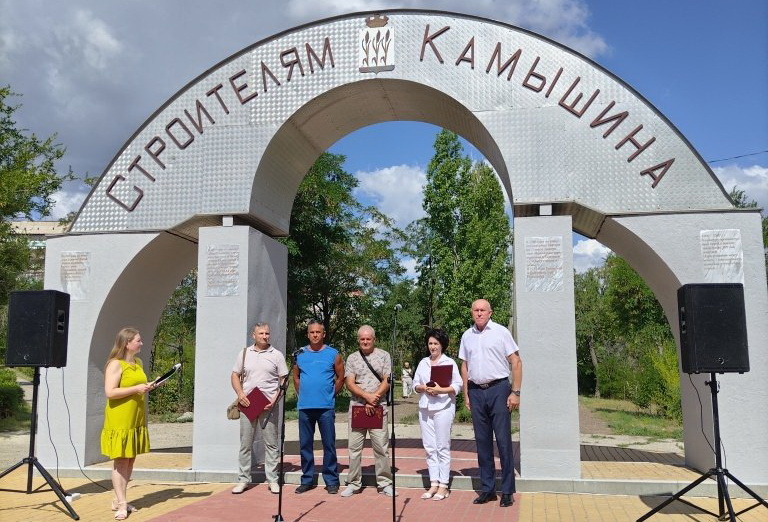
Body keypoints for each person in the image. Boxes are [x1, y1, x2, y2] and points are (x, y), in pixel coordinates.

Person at [459, 299, 522, 508]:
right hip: (476, 391)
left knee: (503, 442)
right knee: (482, 442)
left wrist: (515, 392)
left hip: (499, 389)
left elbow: (516, 361)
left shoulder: (501, 332)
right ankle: (487, 489)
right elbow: (465, 366)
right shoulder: (467, 336)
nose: (479, 313)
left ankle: (507, 491)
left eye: (482, 310)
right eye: (475, 310)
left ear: (490, 312)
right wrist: (467, 394)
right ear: (471, 313)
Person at [101, 327, 156, 520]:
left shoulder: (138, 362)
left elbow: (137, 386)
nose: (141, 343)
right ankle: (122, 504)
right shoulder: (115, 364)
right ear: (127, 343)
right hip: (120, 418)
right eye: (138, 341)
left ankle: (119, 499)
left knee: (130, 459)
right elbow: (110, 392)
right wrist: (136, 389)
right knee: (121, 460)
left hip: (136, 416)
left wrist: (148, 386)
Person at [230, 322, 288, 494]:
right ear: (253, 335)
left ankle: (273, 480)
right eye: (261, 333)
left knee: (271, 444)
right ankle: (243, 480)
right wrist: (240, 394)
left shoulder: (276, 355)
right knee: (245, 444)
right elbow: (235, 375)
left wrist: (275, 399)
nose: (265, 336)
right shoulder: (245, 353)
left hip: (269, 405)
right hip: (248, 403)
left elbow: (284, 380)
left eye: (267, 333)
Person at [292, 319, 345, 494]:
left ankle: (331, 480)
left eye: (318, 332)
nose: (315, 335)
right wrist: (303, 394)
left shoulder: (333, 354)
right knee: (305, 445)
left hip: (326, 408)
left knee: (328, 444)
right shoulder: (299, 354)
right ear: (308, 334)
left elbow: (340, 377)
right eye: (311, 332)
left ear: (323, 334)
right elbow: (296, 377)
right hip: (305, 407)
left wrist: (331, 393)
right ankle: (307, 479)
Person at [342, 325, 394, 497]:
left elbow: (387, 380)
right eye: (362, 339)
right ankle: (354, 483)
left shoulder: (384, 356)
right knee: (354, 448)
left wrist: (375, 397)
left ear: (374, 339)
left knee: (381, 447)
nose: (365, 341)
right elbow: (349, 382)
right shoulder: (352, 358)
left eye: (368, 338)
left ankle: (385, 482)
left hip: (379, 407)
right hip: (357, 408)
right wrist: (366, 397)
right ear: (358, 340)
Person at [412, 328, 462, 501]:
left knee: (442, 446)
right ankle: (433, 482)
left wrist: (441, 389)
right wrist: (422, 387)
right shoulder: (423, 362)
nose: (432, 347)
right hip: (425, 408)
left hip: (443, 407)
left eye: (436, 344)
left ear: (442, 345)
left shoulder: (449, 363)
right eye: (430, 343)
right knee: (429, 447)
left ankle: (444, 485)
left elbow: (457, 385)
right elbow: (415, 384)